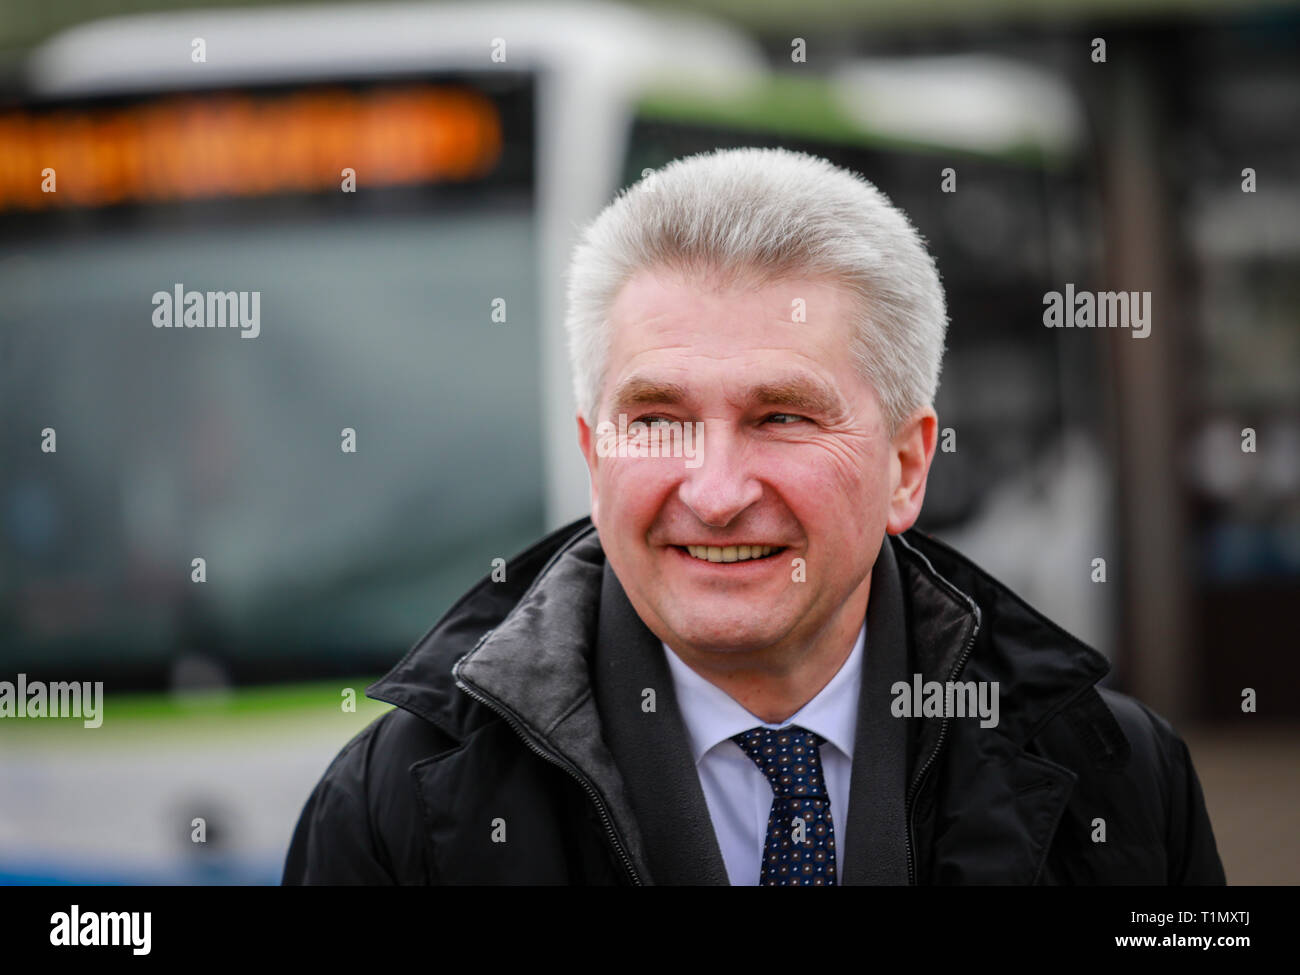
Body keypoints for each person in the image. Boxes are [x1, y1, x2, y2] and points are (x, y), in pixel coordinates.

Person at [282, 147, 1225, 885]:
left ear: (906, 466)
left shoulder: (1121, 777)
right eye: (656, 420)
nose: (716, 489)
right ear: (594, 452)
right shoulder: (392, 808)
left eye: (782, 417)